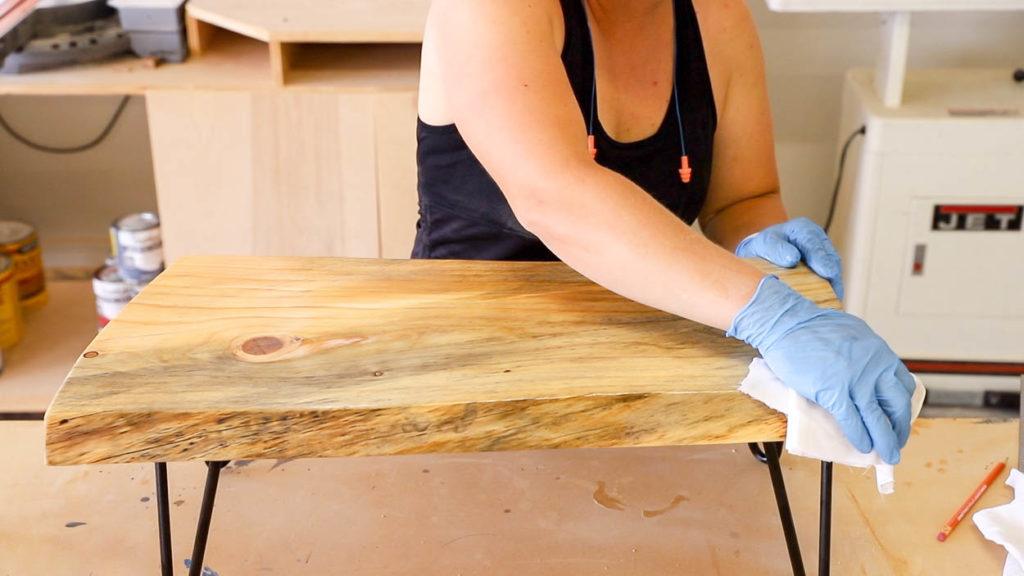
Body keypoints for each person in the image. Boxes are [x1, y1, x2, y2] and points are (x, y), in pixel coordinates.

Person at [412, 0, 916, 464]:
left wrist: (759, 245)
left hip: (643, 371)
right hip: (467, 378)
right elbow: (553, 196)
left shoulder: (716, 16)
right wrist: (773, 314)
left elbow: (743, 200)